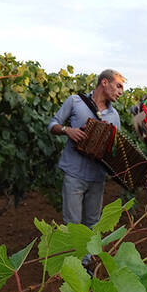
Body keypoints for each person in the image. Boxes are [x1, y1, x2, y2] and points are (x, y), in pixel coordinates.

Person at [47, 69, 124, 232]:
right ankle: (72, 257)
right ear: (104, 82)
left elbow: (114, 148)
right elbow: (52, 125)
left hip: (97, 178)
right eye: (118, 86)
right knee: (72, 226)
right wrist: (68, 130)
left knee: (92, 224)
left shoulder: (114, 116)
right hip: (74, 174)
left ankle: (87, 259)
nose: (120, 92)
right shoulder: (75, 101)